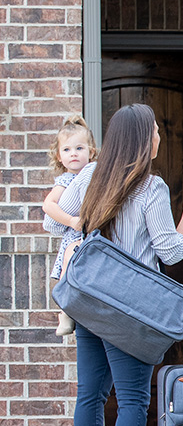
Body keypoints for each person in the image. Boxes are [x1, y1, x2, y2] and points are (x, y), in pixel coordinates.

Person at [57, 103, 183, 426]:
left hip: (91, 300)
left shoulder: (90, 176)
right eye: (156, 130)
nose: (160, 136)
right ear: (144, 139)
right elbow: (170, 251)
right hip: (130, 308)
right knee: (132, 398)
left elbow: (57, 222)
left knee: (89, 394)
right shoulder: (150, 187)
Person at [41, 114, 96, 337]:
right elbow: (48, 206)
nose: (73, 153)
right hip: (74, 235)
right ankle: (65, 312)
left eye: (79, 148)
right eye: (67, 150)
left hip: (90, 235)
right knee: (69, 268)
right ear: (59, 156)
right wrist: (72, 221)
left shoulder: (94, 176)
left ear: (91, 152)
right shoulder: (65, 180)